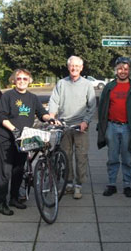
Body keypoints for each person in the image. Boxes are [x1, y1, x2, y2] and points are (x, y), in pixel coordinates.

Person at [0, 68, 53, 215]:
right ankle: (1, 202)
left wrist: (50, 118)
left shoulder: (32, 98)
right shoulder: (8, 96)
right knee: (5, 172)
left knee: (18, 170)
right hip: (6, 139)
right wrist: (13, 129)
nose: (21, 81)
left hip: (23, 139)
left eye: (25, 79)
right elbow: (1, 116)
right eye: (19, 78)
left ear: (30, 81)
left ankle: (13, 198)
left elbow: (41, 113)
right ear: (14, 80)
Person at [97, 57, 131, 198]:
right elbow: (102, 108)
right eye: (120, 68)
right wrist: (102, 126)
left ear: (129, 70)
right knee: (112, 157)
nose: (122, 71)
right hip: (112, 126)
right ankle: (111, 184)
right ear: (115, 70)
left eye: (125, 69)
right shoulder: (109, 87)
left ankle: (127, 185)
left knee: (127, 158)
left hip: (128, 128)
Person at [48, 55, 96, 199]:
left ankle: (79, 185)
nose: (74, 68)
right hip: (64, 125)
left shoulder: (87, 85)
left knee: (81, 156)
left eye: (77, 66)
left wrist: (85, 121)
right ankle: (68, 182)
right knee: (65, 156)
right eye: (72, 65)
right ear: (68, 67)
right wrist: (51, 116)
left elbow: (92, 105)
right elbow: (54, 101)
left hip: (81, 126)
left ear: (81, 68)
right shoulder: (61, 83)